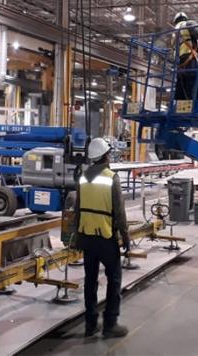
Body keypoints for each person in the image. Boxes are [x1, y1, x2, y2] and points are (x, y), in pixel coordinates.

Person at [75, 137, 130, 338]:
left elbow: (77, 208)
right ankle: (110, 324)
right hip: (106, 238)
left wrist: (76, 236)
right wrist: (126, 236)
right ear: (106, 156)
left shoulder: (82, 177)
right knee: (114, 280)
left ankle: (91, 324)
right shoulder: (111, 177)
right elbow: (120, 213)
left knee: (90, 280)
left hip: (87, 237)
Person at [172, 12, 198, 101]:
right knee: (191, 81)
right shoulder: (189, 24)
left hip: (180, 62)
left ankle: (177, 105)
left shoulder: (174, 31)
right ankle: (190, 104)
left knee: (180, 84)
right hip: (191, 58)